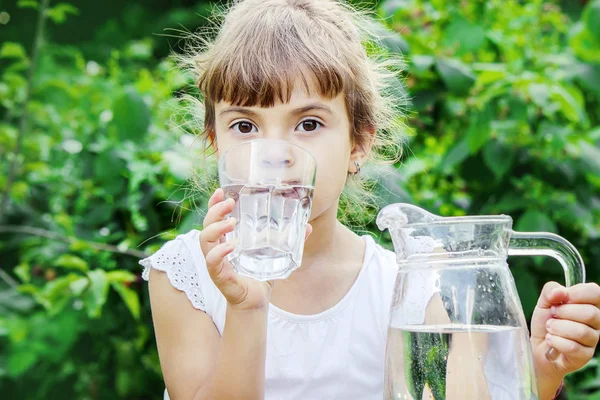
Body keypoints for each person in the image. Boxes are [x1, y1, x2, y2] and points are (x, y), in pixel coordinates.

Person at [140, 1, 600, 399]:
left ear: (358, 144)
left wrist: (541, 371)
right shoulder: (185, 276)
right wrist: (247, 308)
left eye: (308, 124)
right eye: (245, 127)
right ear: (215, 142)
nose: (274, 157)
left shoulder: (409, 285)